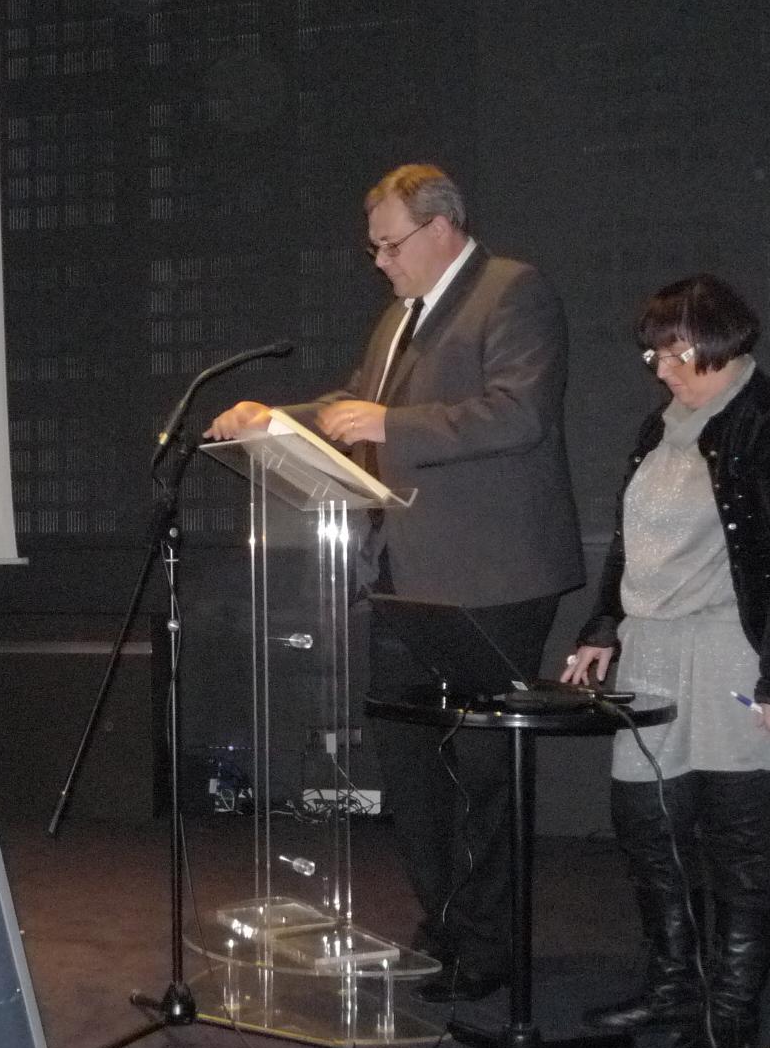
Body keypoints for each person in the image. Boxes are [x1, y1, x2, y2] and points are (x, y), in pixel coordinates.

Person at [208, 164, 582, 1002]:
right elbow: (354, 404)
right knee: (410, 765)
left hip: (495, 575)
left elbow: (520, 412)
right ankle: (443, 924)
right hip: (401, 574)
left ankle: (489, 945)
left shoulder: (513, 291)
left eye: (390, 245)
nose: (380, 262)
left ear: (440, 227)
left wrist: (392, 424)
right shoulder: (397, 318)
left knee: (483, 769)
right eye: (374, 248)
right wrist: (275, 418)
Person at [561, 273, 770, 1048]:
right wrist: (604, 625)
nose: (659, 368)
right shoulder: (662, 428)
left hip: (735, 651)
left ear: (719, 343)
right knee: (649, 825)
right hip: (654, 649)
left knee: (739, 841)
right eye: (653, 353)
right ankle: (673, 986)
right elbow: (631, 544)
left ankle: (731, 1009)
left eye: (673, 352)